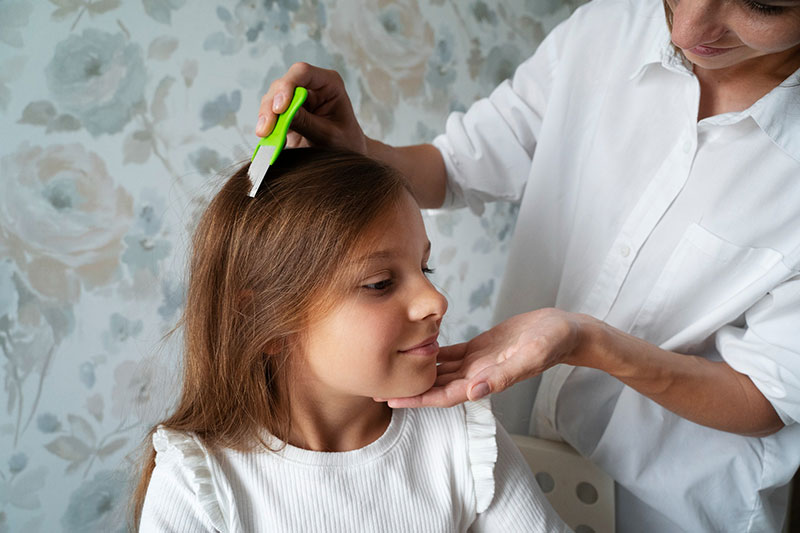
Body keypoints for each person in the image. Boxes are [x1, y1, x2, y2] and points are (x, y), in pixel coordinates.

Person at [255, 0, 800, 531]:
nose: (686, 29)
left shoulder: (457, 444)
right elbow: (459, 163)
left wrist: (586, 341)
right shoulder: (604, 30)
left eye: (762, 6)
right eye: (379, 281)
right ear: (266, 316)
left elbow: (767, 397)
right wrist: (362, 150)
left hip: (670, 504)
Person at [129, 148, 569, 532]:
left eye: (425, 268)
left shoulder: (459, 435)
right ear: (263, 319)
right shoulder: (200, 478)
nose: (435, 300)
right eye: (380, 283)